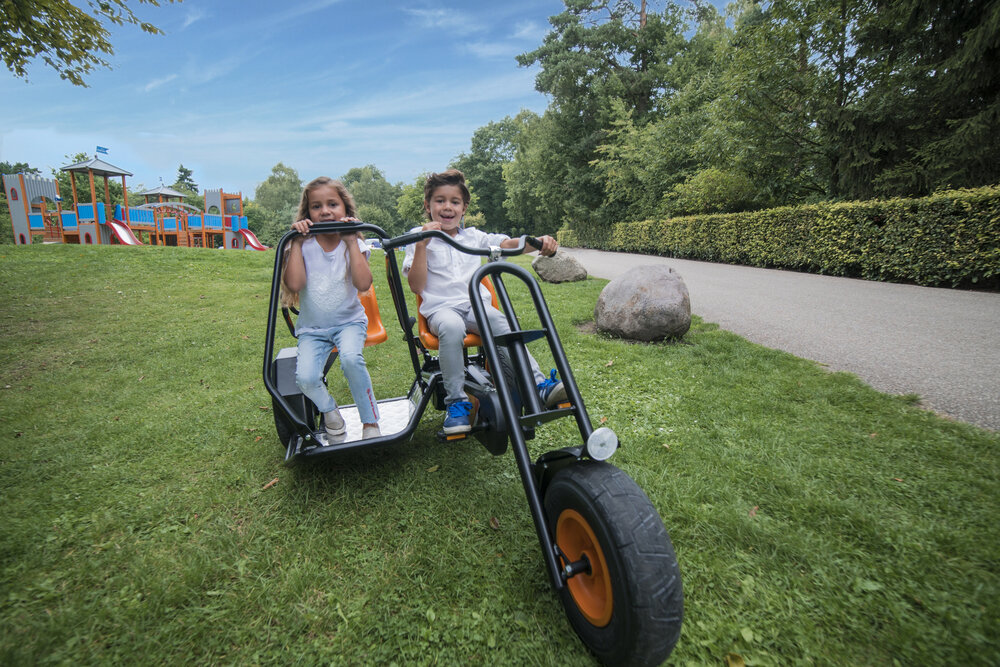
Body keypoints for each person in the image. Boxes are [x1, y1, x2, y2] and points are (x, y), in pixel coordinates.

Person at [403, 169, 567, 434]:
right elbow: (416, 285)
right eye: (440, 201)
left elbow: (508, 243)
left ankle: (539, 386)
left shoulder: (474, 237)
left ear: (464, 207)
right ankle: (456, 402)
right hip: (440, 310)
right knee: (451, 328)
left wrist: (537, 243)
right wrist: (422, 243)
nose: (447, 207)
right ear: (427, 205)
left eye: (454, 202)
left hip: (474, 306)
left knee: (500, 321)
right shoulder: (417, 236)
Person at [282, 177, 380, 441]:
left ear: (345, 210)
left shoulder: (354, 244)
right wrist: (298, 243)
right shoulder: (300, 245)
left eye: (332, 204)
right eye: (316, 206)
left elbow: (363, 283)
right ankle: (329, 409)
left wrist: (350, 242)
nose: (325, 211)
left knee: (351, 360)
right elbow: (295, 283)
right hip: (312, 329)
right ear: (308, 213)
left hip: (349, 322)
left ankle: (370, 420)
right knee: (305, 378)